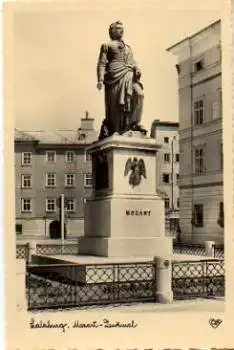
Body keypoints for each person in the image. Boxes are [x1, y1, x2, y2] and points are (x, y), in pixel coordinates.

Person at [97, 21, 145, 136]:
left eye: (122, 28)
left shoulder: (128, 47)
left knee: (139, 94)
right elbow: (101, 63)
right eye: (118, 28)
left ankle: (135, 122)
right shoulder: (106, 45)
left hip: (129, 75)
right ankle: (119, 128)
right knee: (117, 106)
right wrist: (100, 79)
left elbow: (133, 61)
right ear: (112, 31)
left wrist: (137, 68)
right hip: (114, 76)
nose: (121, 30)